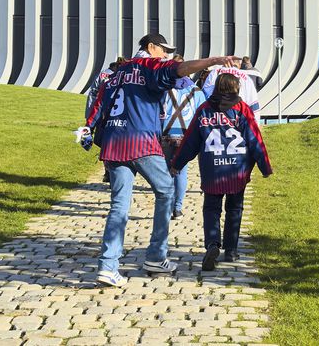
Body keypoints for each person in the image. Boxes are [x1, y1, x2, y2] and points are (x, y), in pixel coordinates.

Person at [85, 33, 234, 288]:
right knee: (166, 190)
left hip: (113, 143)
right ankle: (156, 255)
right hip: (140, 141)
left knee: (119, 205)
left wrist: (88, 129)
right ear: (150, 47)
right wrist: (214, 60)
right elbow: (181, 68)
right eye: (163, 50)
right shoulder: (149, 66)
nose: (165, 55)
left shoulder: (117, 72)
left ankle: (108, 266)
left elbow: (99, 103)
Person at [171, 71, 272, 271]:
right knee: (234, 209)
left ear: (216, 87)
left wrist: (177, 163)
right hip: (236, 170)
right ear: (236, 88)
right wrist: (264, 166)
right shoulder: (242, 109)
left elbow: (190, 141)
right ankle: (232, 250)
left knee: (211, 209)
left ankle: (212, 244)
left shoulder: (204, 110)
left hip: (212, 170)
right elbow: (254, 139)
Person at [159, 62, 206, 220]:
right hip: (186, 135)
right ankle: (177, 208)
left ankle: (165, 206)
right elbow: (201, 116)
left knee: (165, 173)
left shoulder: (164, 89)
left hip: (165, 134)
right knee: (181, 172)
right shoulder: (196, 91)